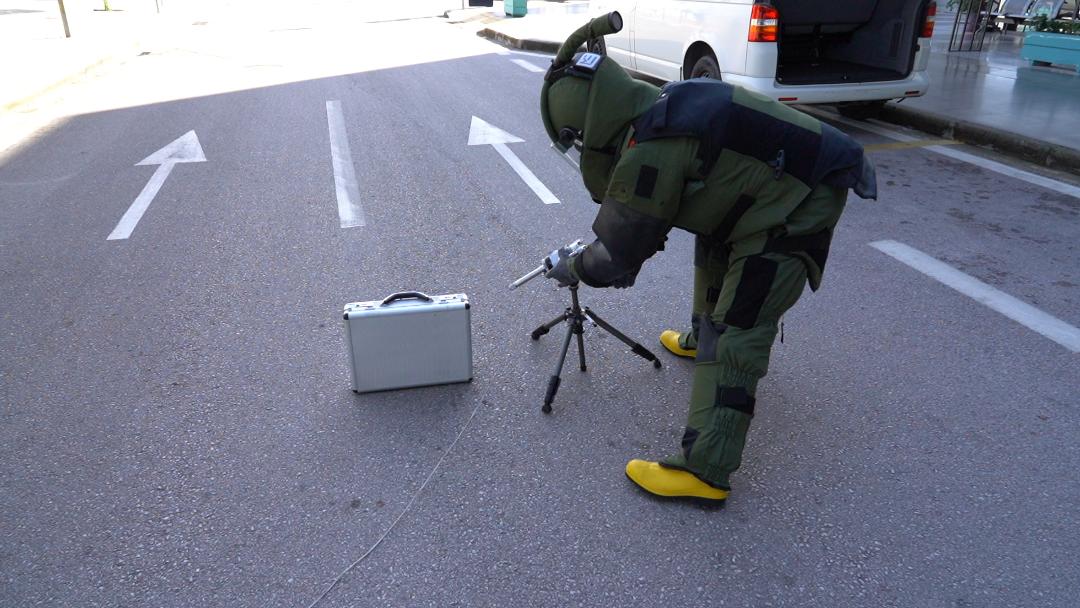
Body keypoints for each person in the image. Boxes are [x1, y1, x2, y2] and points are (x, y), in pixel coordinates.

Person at [539, 13, 877, 504]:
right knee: (714, 238)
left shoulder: (650, 147)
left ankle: (705, 470)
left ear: (588, 125)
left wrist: (573, 266)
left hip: (797, 204)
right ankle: (702, 338)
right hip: (767, 190)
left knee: (740, 330)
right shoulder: (657, 108)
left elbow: (617, 256)